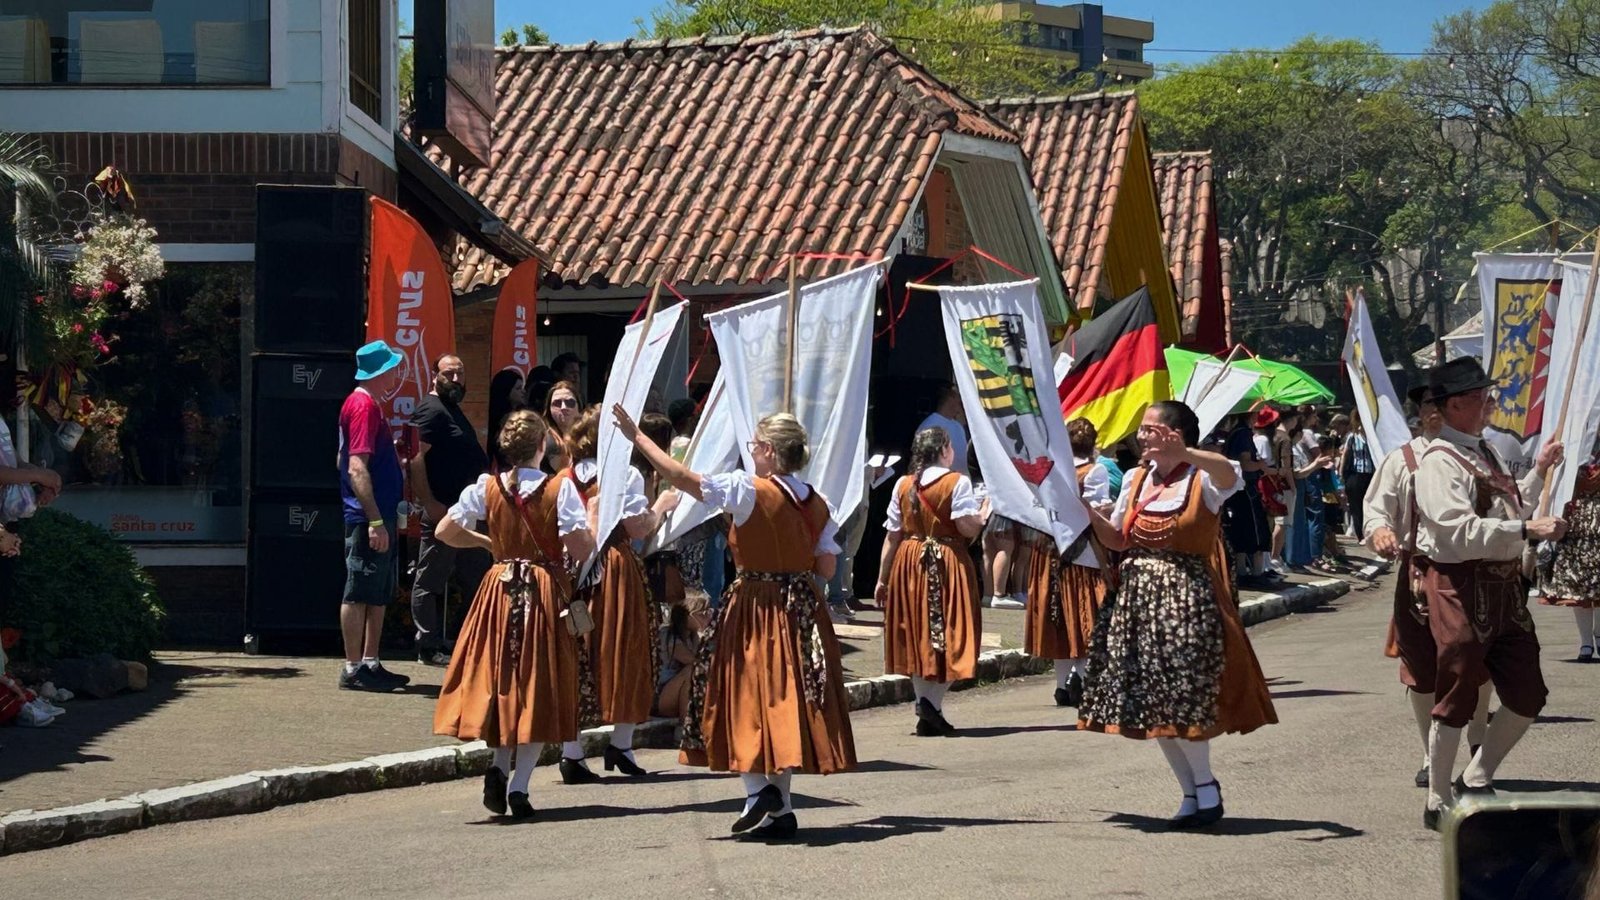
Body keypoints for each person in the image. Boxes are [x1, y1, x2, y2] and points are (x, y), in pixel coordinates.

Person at [614, 405, 856, 841]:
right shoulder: (819, 501)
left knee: (736, 694)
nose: (750, 455)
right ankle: (780, 806)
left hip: (753, 604)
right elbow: (824, 566)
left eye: (753, 447)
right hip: (801, 607)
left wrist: (639, 439)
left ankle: (756, 793)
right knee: (783, 702)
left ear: (766, 450)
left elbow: (684, 479)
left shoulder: (748, 489)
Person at [1078, 400, 1278, 830]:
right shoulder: (1135, 478)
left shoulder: (1202, 477)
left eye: (1152, 427)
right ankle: (1193, 793)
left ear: (1175, 433)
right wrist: (1087, 514)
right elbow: (1117, 540)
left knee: (1184, 695)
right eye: (1144, 428)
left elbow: (1230, 474)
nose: (1143, 433)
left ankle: (1204, 787)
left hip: (1186, 597)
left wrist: (1186, 452)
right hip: (1137, 598)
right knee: (1154, 702)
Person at [1412, 357, 1566, 830]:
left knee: (1528, 692)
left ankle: (1476, 777)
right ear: (1457, 404)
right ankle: (1438, 798)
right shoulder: (1438, 461)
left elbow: (1509, 497)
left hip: (1502, 585)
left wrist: (1538, 472)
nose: (1490, 404)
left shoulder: (1485, 452)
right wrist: (1528, 529)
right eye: (1482, 397)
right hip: (1461, 583)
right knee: (1458, 690)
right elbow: (1457, 530)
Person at [431, 410, 596, 819]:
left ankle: (498, 767)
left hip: (498, 591)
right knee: (538, 686)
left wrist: (489, 542)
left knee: (502, 682)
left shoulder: (487, 487)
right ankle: (519, 786)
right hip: (541, 593)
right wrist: (591, 526)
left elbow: (444, 532)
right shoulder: (559, 489)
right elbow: (580, 549)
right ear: (543, 445)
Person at [1363, 385, 1492, 789]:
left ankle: (1477, 743)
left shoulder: (1480, 457)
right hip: (1419, 573)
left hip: (1477, 573)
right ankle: (1429, 752)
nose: (1435, 413)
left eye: (1442, 405)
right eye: (1427, 406)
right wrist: (1380, 530)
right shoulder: (1400, 460)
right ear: (1419, 413)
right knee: (1420, 669)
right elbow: (1375, 508)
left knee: (1480, 664)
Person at [558, 406, 679, 782]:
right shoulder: (624, 475)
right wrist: (661, 506)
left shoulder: (562, 477)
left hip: (569, 570)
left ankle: (572, 752)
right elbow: (637, 527)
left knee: (577, 654)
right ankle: (621, 744)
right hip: (613, 567)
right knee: (626, 649)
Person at [875, 427, 989, 734]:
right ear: (943, 450)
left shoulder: (903, 483)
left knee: (918, 633)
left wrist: (882, 579)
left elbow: (892, 535)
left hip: (909, 561)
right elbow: (966, 529)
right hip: (946, 560)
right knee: (955, 632)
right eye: (950, 447)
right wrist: (982, 515)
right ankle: (930, 704)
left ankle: (928, 707)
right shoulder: (958, 482)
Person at [408, 354, 494, 667]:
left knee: (477, 576)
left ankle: (465, 640)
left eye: (460, 374)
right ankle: (427, 645)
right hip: (446, 512)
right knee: (430, 578)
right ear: (435, 375)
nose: (456, 380)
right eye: (449, 374)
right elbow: (415, 458)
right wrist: (429, 502)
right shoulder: (430, 410)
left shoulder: (451, 409)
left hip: (469, 513)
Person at [336, 340, 411, 692]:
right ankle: (353, 668)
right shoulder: (363, 406)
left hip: (375, 514)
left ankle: (370, 661)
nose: (396, 373)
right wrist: (375, 520)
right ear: (380, 372)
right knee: (358, 591)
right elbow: (355, 466)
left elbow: (344, 459)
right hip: (369, 518)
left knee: (378, 592)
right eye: (393, 368)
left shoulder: (367, 406)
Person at [1024, 418, 1112, 708]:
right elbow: (1096, 509)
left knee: (1059, 616)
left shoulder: (1050, 470)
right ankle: (1084, 681)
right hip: (1081, 551)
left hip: (1048, 549)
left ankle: (1062, 686)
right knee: (1083, 614)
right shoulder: (1094, 470)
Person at [1540, 435, 1600, 662]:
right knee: (1580, 586)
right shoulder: (1576, 451)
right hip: (1577, 528)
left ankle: (1598, 634)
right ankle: (1586, 641)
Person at [1222, 411, 1274, 587]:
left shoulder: (1234, 433)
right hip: (1246, 488)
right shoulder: (1243, 434)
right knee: (1256, 530)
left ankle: (1243, 572)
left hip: (1236, 489)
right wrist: (1262, 466)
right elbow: (1245, 463)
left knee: (1241, 530)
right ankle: (1256, 573)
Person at [654, 597, 709, 718]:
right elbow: (694, 662)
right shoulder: (667, 635)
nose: (707, 617)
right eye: (702, 613)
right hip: (662, 695)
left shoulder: (692, 637)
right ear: (688, 616)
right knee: (691, 670)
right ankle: (685, 724)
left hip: (677, 692)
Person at [916, 384, 969, 476]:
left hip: (960, 483)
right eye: (958, 397)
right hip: (939, 485)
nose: (961, 401)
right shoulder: (929, 425)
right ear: (950, 398)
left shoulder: (957, 425)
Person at [1340, 416, 1377, 538]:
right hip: (1356, 475)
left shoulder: (1374, 437)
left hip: (1372, 475)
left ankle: (1370, 532)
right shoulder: (1352, 437)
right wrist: (1341, 473)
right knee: (1356, 506)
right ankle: (1360, 535)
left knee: (1370, 504)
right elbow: (1345, 455)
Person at [485, 368, 527, 468]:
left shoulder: (521, 412)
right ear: (506, 391)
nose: (523, 392)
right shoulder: (505, 419)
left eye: (522, 388)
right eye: (518, 388)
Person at [541, 381, 581, 474]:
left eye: (570, 402)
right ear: (549, 409)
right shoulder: (544, 440)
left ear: (579, 407)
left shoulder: (588, 438)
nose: (563, 407)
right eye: (557, 403)